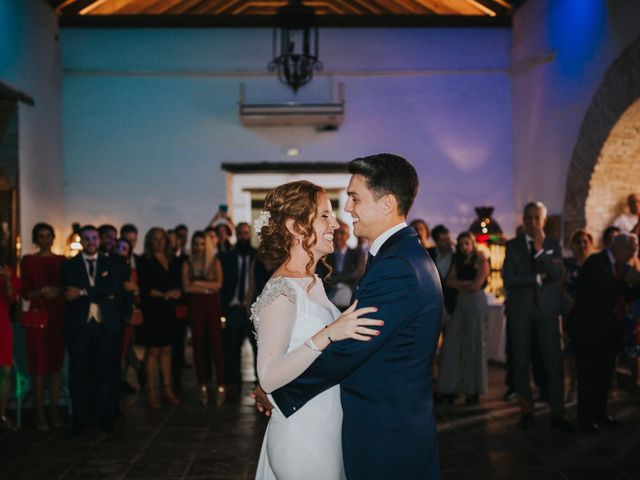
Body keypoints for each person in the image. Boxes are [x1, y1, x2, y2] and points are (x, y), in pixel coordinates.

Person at [256, 154, 444, 480]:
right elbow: (335, 341)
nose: (345, 212)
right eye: (326, 213)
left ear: (386, 204)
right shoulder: (398, 257)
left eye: (354, 198)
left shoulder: (396, 266)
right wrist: (273, 383)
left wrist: (280, 394)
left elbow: (349, 349)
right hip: (319, 430)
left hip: (385, 431)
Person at [251, 180, 382, 480]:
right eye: (324, 215)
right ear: (296, 227)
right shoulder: (283, 290)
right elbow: (268, 376)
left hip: (325, 426)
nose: (336, 223)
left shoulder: (312, 281)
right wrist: (328, 334)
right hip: (302, 436)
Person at [502, 202, 574, 432]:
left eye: (537, 218)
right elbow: (508, 279)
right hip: (521, 311)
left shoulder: (553, 245)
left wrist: (542, 250)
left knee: (554, 362)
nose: (533, 222)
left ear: (544, 221)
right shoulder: (512, 246)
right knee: (521, 362)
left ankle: (557, 414)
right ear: (523, 220)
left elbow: (556, 273)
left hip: (547, 311)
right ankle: (526, 411)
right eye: (529, 218)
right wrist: (535, 279)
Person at [61, 225, 128, 434]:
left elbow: (112, 289)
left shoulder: (112, 262)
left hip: (105, 325)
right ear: (81, 240)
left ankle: (106, 416)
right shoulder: (69, 265)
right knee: (79, 372)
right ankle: (80, 418)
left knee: (105, 372)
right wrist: (98, 294)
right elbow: (68, 293)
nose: (91, 242)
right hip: (80, 326)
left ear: (99, 240)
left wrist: (82, 291)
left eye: (94, 238)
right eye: (87, 238)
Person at [572, 233, 640, 432]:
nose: (633, 254)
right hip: (589, 330)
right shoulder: (596, 262)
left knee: (604, 375)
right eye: (631, 249)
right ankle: (586, 419)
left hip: (609, 331)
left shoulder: (621, 267)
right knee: (588, 377)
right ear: (618, 248)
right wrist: (627, 281)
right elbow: (602, 291)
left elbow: (624, 295)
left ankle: (600, 414)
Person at [20, 223, 66, 431]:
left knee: (55, 365)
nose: (45, 239)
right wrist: (40, 292)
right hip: (38, 315)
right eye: (41, 236)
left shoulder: (62, 261)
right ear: (36, 239)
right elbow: (25, 292)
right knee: (38, 365)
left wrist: (57, 291)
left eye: (48, 235)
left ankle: (54, 409)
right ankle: (39, 411)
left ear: (53, 238)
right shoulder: (28, 261)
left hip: (57, 315)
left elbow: (67, 289)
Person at [436, 232, 489, 405]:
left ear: (472, 244)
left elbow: (476, 285)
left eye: (466, 243)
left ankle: (473, 390)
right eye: (460, 244)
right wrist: (465, 284)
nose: (463, 247)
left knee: (473, 344)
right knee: (452, 343)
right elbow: (449, 282)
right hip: (461, 302)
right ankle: (449, 387)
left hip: (475, 303)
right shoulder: (457, 261)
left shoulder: (481, 260)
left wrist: (463, 284)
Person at [138, 227, 182, 408]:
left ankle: (167, 388)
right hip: (153, 311)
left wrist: (177, 292)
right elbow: (144, 287)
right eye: (155, 239)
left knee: (167, 350)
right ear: (149, 241)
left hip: (169, 311)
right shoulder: (144, 261)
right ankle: (152, 391)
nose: (159, 242)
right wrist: (164, 295)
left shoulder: (173, 260)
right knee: (153, 352)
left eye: (162, 238)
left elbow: (180, 282)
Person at [182, 231, 225, 406]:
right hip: (195, 306)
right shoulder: (187, 263)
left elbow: (219, 284)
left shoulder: (214, 262)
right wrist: (208, 287)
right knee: (198, 345)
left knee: (216, 345)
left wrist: (197, 283)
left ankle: (221, 385)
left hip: (212, 306)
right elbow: (186, 288)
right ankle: (202, 386)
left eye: (201, 243)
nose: (199, 247)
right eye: (196, 244)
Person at [220, 222, 260, 387]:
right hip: (234, 308)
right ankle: (234, 383)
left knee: (258, 347)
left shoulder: (258, 255)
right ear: (236, 234)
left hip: (254, 309)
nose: (244, 236)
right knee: (233, 348)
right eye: (241, 233)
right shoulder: (227, 256)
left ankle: (262, 382)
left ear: (250, 234)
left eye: (246, 233)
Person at [562, 229, 594, 402]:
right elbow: (561, 286)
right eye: (578, 241)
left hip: (590, 313)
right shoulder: (568, 264)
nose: (582, 245)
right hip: (571, 312)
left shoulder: (595, 263)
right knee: (571, 351)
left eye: (585, 241)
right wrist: (569, 301)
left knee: (589, 351)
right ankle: (573, 384)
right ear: (572, 245)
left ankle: (588, 387)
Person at [316, 219, 365, 310]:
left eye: (342, 233)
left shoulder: (357, 254)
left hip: (351, 299)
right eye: (336, 233)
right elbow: (322, 276)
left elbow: (357, 274)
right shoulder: (325, 255)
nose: (338, 236)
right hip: (329, 298)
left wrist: (334, 278)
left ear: (348, 235)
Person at [0, 257, 19, 431]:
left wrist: (6, 278)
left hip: (2, 324)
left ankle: (2, 414)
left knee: (5, 370)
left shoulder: (6, 269)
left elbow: (12, 297)